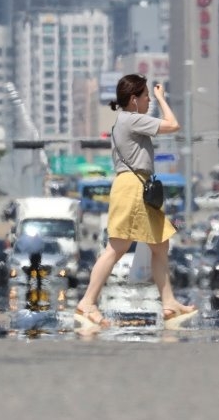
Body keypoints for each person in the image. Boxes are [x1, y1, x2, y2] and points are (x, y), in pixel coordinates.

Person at [74, 74, 197, 329]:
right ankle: (87, 302)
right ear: (134, 99)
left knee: (160, 245)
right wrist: (163, 99)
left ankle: (169, 302)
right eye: (145, 96)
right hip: (133, 186)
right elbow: (173, 125)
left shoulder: (125, 120)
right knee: (117, 247)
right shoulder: (132, 119)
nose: (149, 100)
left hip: (140, 186)